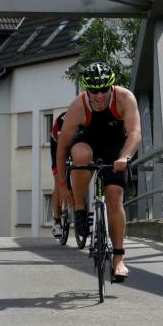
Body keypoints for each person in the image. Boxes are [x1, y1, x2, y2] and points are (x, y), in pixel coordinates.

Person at [55, 62, 141, 282]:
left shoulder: (124, 98)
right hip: (88, 142)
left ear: (111, 86)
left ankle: (118, 259)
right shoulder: (78, 105)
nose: (100, 95)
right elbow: (62, 148)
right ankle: (80, 208)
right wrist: (62, 185)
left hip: (116, 147)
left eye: (104, 89)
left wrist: (125, 157)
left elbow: (135, 133)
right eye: (94, 91)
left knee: (114, 196)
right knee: (81, 156)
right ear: (87, 90)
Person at [49, 111, 67, 238]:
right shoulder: (64, 120)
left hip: (76, 143)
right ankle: (56, 221)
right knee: (58, 180)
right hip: (58, 145)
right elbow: (61, 149)